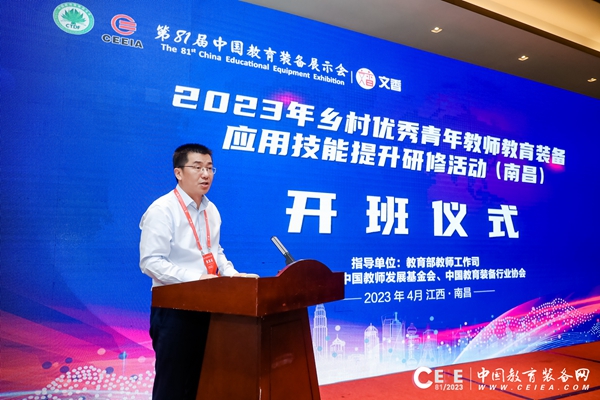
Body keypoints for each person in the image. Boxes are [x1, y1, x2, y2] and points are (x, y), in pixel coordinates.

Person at [139, 143, 255, 400]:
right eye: (198, 167)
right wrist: (197, 279)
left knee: (203, 382)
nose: (206, 174)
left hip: (211, 306)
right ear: (178, 173)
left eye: (210, 168)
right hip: (175, 310)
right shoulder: (162, 209)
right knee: (173, 385)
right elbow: (150, 262)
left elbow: (214, 250)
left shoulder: (211, 210)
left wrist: (232, 274)